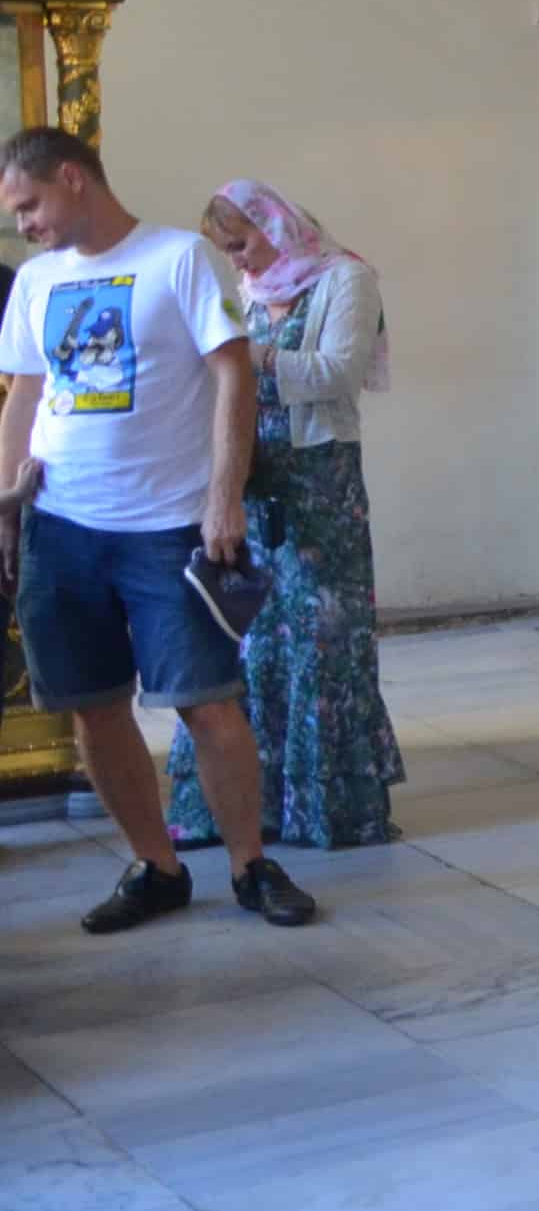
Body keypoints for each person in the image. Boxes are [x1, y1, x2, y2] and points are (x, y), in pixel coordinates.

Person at [0, 127, 313, 930]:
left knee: (207, 704)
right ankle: (158, 867)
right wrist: (6, 499)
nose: (23, 224)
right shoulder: (36, 282)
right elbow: (25, 396)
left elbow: (232, 373)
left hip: (168, 526)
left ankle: (249, 865)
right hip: (61, 529)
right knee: (93, 708)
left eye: (28, 204)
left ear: (72, 178)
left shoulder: (178, 259)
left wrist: (225, 497)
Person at [173, 181, 404, 848]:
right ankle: (251, 805)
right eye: (228, 252)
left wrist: (253, 360)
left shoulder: (347, 278)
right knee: (252, 637)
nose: (239, 263)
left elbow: (339, 370)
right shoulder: (252, 289)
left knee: (320, 637)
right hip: (250, 473)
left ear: (275, 224)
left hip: (318, 477)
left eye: (242, 245)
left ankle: (327, 809)